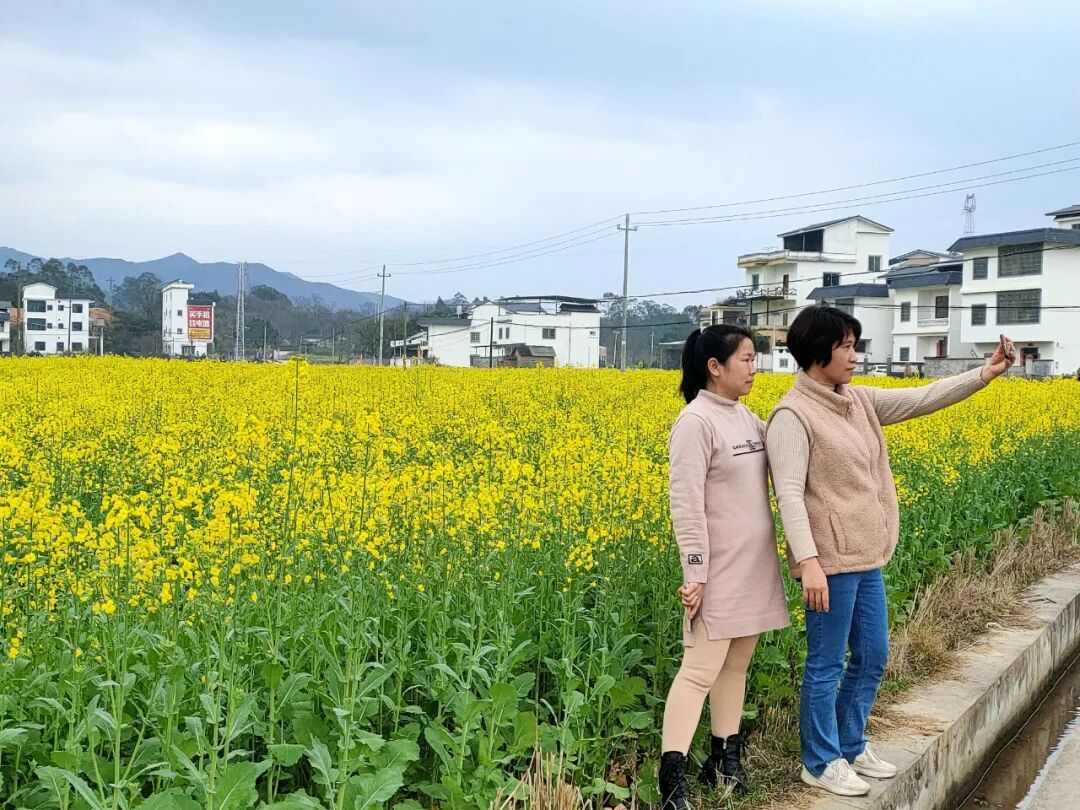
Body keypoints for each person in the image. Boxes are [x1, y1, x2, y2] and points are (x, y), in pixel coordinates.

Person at [765, 306, 1015, 798]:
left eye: (855, 346)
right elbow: (789, 493)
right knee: (826, 662)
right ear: (818, 352)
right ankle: (819, 760)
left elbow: (923, 398)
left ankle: (851, 744)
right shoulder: (791, 416)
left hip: (866, 555)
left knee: (873, 655)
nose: (856, 356)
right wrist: (809, 561)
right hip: (829, 562)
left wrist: (984, 375)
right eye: (847, 347)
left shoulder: (857, 402)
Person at [659, 324, 791, 809]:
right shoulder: (696, 422)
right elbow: (686, 503)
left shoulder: (745, 417)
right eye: (747, 359)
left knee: (736, 667)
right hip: (717, 571)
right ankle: (672, 781)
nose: (754, 369)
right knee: (698, 671)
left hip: (754, 565)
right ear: (715, 367)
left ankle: (725, 763)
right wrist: (694, 572)